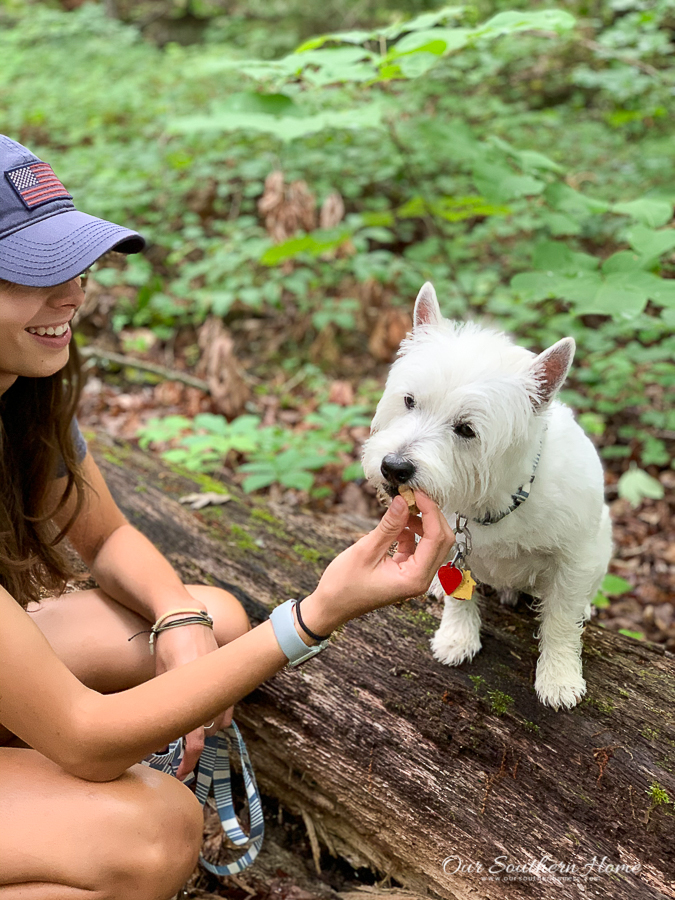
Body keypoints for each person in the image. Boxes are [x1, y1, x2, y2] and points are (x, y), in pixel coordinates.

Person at [0, 135, 455, 900]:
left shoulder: (21, 390)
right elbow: (83, 739)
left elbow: (106, 536)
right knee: (154, 832)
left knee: (212, 618)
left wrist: (178, 618)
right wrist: (312, 617)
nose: (74, 292)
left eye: (75, 263)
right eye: (35, 272)